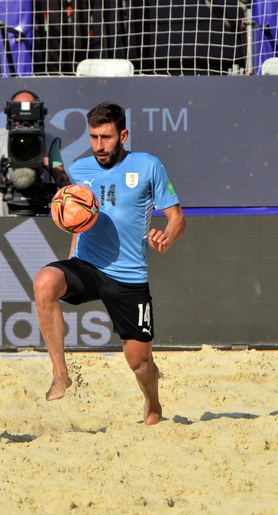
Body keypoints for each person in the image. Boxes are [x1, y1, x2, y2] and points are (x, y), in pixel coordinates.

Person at [33, 101, 186, 425]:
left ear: (124, 135)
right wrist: (71, 257)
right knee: (45, 282)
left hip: (129, 275)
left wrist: (167, 237)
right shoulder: (81, 170)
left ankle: (153, 405)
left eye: (106, 137)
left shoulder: (148, 166)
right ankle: (61, 373)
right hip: (87, 265)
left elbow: (176, 217)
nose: (99, 146)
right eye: (93, 137)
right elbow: (79, 223)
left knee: (139, 361)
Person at [0, 90, 70, 216]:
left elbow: (59, 173)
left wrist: (68, 186)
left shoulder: (49, 141)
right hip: (1, 210)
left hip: (37, 207)